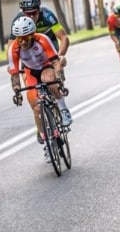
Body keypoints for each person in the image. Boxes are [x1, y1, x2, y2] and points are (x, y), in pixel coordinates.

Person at [6, 16, 71, 145]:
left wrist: (60, 80)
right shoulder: (13, 48)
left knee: (48, 80)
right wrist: (17, 91)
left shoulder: (42, 39)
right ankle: (45, 140)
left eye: (26, 38)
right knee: (35, 106)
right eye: (20, 38)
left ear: (33, 34)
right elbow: (14, 76)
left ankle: (63, 110)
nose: (23, 42)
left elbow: (56, 62)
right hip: (30, 71)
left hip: (46, 65)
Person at [8, 0, 70, 79]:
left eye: (34, 12)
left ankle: (58, 87)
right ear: (23, 13)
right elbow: (11, 46)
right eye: (28, 14)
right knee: (26, 77)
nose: (32, 16)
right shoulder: (18, 21)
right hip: (29, 50)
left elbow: (64, 38)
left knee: (50, 77)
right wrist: (12, 65)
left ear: (39, 9)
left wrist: (59, 57)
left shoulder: (47, 16)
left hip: (49, 46)